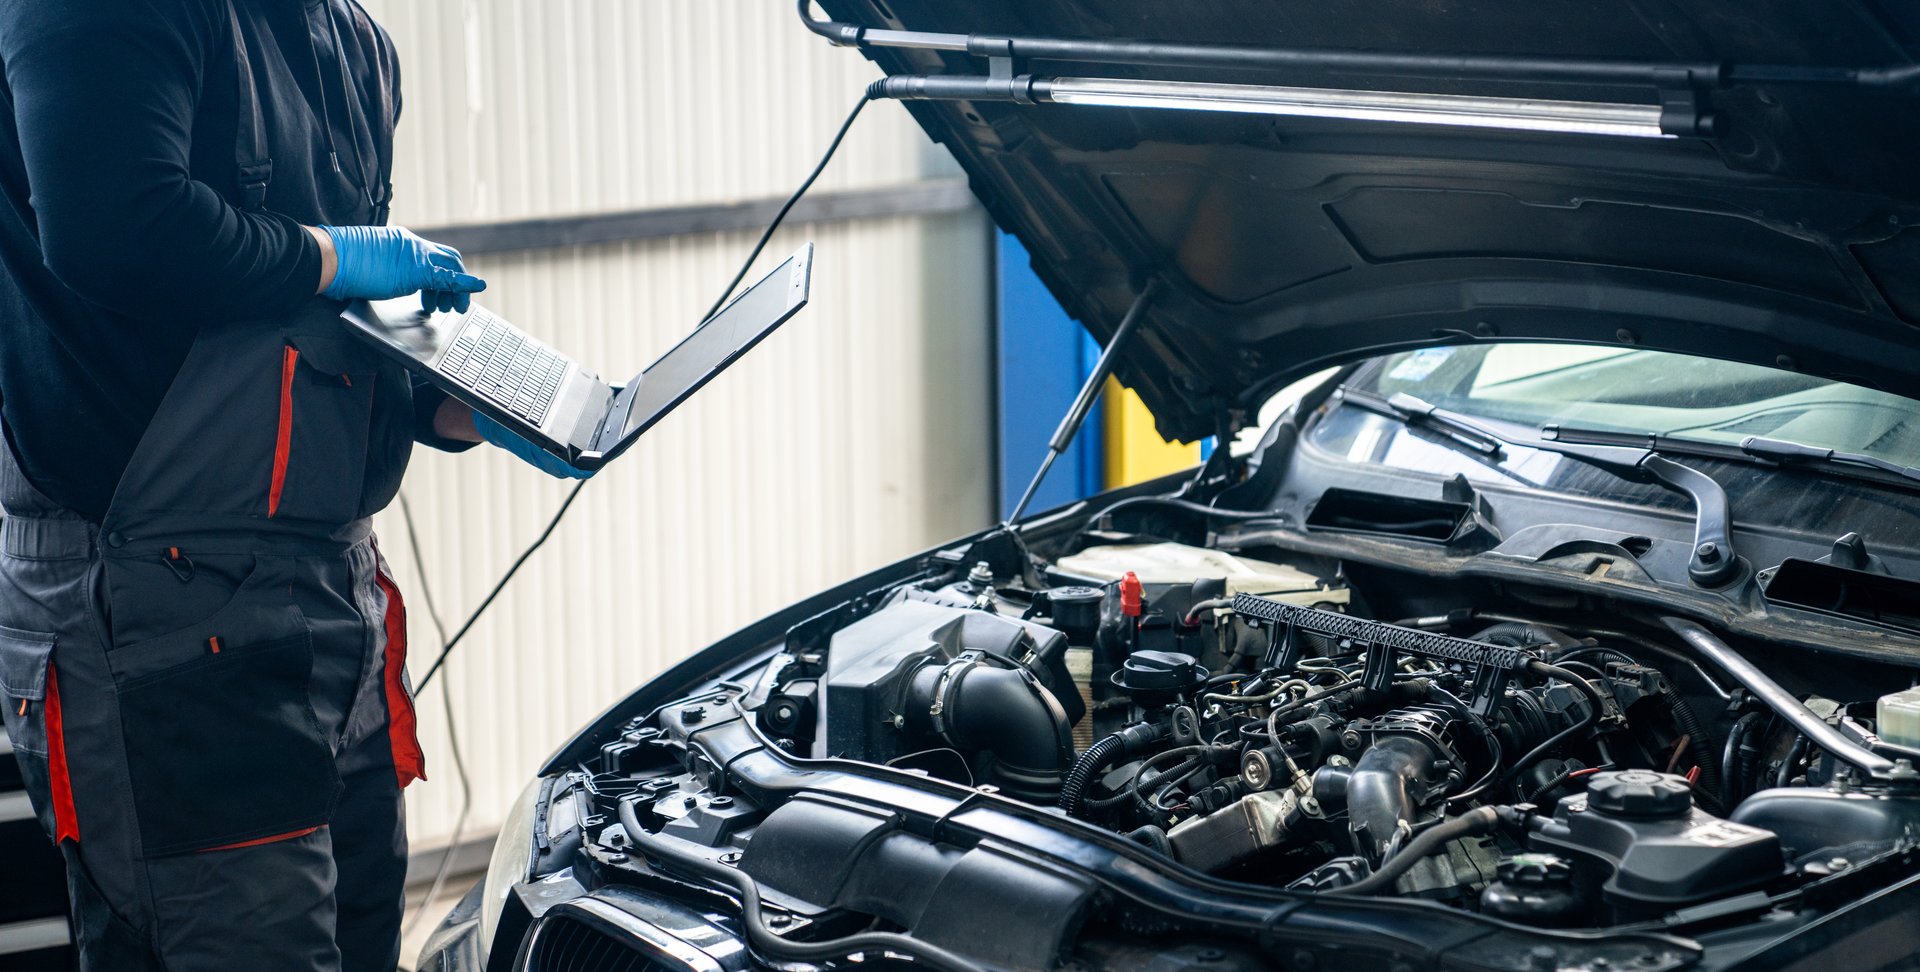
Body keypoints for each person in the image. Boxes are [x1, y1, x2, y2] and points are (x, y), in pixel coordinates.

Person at [0, 1, 585, 968]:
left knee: (359, 945)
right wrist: (333, 252)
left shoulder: (349, 41)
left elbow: (307, 319)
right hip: (160, 605)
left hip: (327, 591)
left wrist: (448, 405)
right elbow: (117, 222)